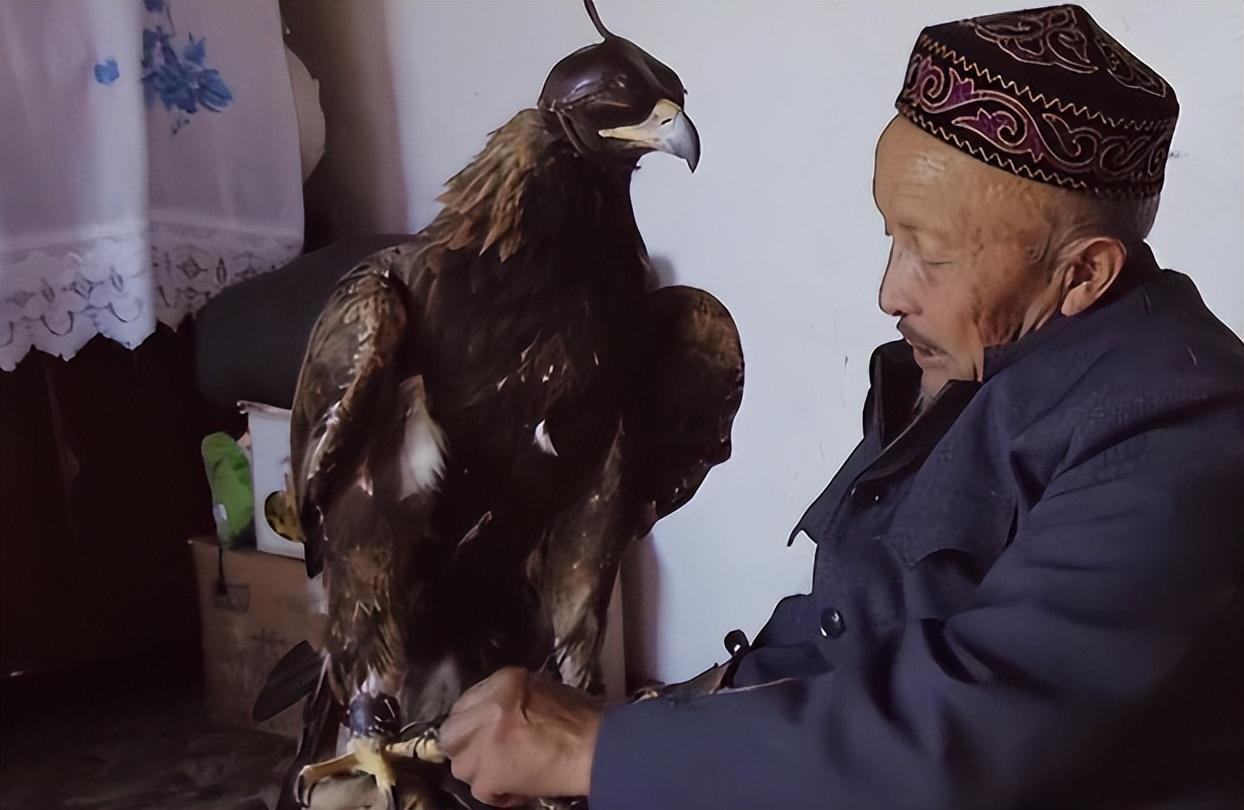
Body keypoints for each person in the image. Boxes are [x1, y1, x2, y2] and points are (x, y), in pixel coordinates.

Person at [435, 5, 1244, 809]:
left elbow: (965, 736)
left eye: (931, 255)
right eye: (892, 235)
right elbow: (857, 631)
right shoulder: (975, 357)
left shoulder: (1177, 433)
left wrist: (597, 750)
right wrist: (665, 715)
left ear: (1084, 273)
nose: (890, 292)